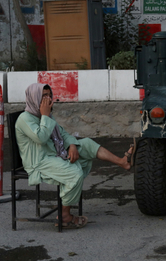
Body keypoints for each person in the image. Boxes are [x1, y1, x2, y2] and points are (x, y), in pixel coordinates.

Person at [15, 83, 135, 229]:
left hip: (53, 154)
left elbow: (63, 134)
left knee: (87, 145)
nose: (48, 99)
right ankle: (65, 215)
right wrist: (45, 116)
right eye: (43, 96)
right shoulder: (25, 119)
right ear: (34, 98)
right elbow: (41, 137)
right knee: (75, 173)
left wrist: (72, 145)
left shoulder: (45, 116)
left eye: (49, 95)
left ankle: (122, 162)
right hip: (39, 162)